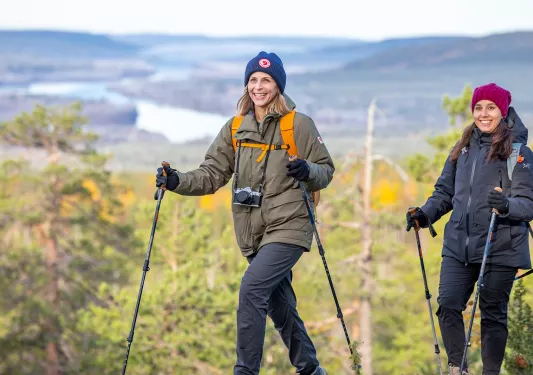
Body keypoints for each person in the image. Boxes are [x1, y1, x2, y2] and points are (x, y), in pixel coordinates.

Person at [155, 51, 334, 375]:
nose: (258, 86)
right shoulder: (236, 127)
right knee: (281, 306)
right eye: (253, 80)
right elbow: (211, 174)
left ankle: (245, 371)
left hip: (289, 226)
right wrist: (176, 181)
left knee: (252, 289)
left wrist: (307, 169)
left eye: (266, 80)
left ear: (277, 85)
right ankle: (310, 369)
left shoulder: (299, 124)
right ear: (246, 85)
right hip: (252, 231)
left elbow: (326, 171)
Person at [406, 83, 533, 375]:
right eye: (478, 107)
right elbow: (444, 193)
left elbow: (527, 203)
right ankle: (457, 368)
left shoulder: (518, 152)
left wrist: (505, 205)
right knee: (448, 304)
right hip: (458, 244)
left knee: (492, 315)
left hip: (500, 245)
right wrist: (424, 215)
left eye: (491, 107)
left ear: (503, 111)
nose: (483, 114)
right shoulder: (462, 147)